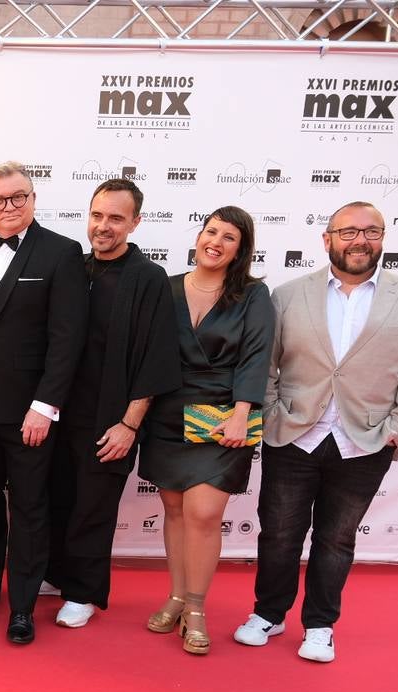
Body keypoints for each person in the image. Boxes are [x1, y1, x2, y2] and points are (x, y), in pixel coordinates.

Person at [235, 202, 398, 662]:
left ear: (383, 239)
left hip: (365, 440)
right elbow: (265, 364)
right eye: (348, 231)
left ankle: (320, 625)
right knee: (279, 534)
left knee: (336, 539)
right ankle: (268, 613)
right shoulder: (288, 295)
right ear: (327, 239)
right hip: (293, 434)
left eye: (371, 231)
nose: (360, 240)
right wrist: (270, 414)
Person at [0, 161, 89, 644]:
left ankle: (24, 605)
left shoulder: (62, 252)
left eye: (18, 197)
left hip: (30, 412)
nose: (9, 207)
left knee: (30, 508)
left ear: (33, 199)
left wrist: (45, 405)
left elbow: (67, 338)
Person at [45, 180, 181, 628]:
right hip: (58, 411)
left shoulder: (147, 278)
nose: (104, 226)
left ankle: (83, 592)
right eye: (98, 215)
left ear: (136, 222)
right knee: (56, 496)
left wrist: (129, 425)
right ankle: (56, 573)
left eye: (116, 218)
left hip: (110, 417)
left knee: (94, 506)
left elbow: (155, 357)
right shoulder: (75, 267)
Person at [139, 206, 274, 655]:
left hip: (222, 416)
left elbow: (256, 356)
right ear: (198, 236)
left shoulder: (253, 295)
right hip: (169, 414)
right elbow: (150, 353)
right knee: (175, 509)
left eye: (229, 236)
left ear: (241, 249)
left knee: (202, 512)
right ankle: (177, 596)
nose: (216, 241)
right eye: (211, 231)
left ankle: (195, 607)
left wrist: (242, 412)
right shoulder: (168, 287)